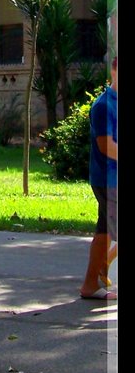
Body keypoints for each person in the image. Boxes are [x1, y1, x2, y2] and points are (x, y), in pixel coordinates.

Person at [80, 56, 117, 300]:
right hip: (108, 179)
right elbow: (107, 146)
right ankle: (98, 273)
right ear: (114, 70)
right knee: (105, 231)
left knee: (104, 231)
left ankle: (93, 281)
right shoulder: (104, 105)